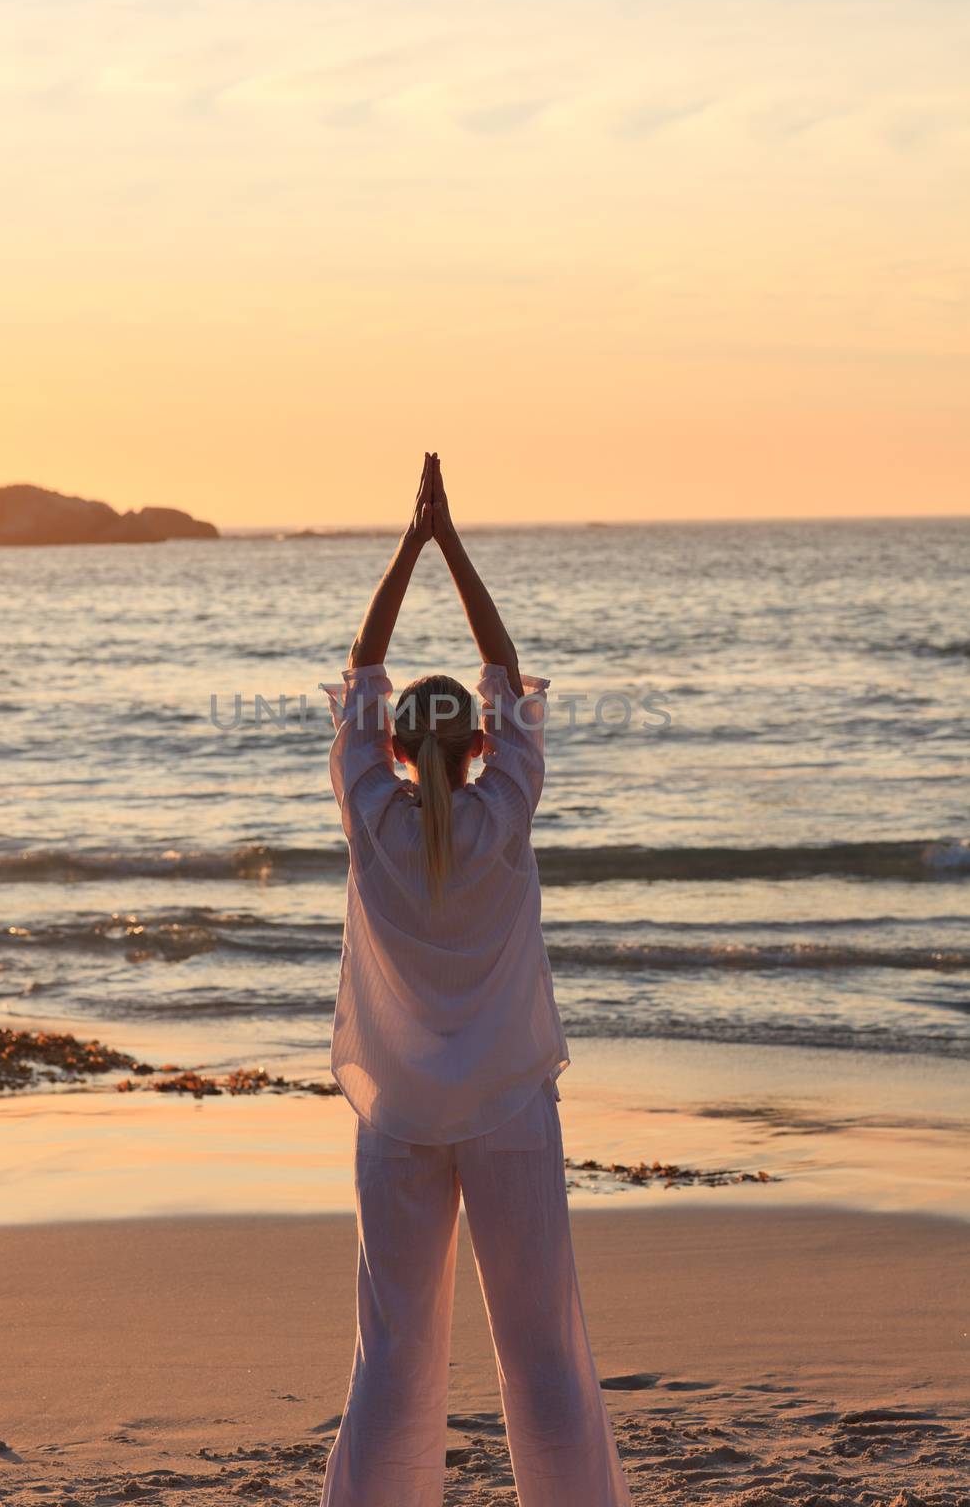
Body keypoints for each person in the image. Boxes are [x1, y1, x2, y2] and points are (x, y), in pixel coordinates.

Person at [319, 454, 632, 1507]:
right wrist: (453, 544)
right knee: (542, 1350)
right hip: (506, 1107)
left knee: (393, 1361)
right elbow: (504, 667)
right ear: (484, 744)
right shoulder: (504, 817)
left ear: (400, 753)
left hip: (400, 1115)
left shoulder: (372, 815)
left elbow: (362, 669)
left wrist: (409, 546)